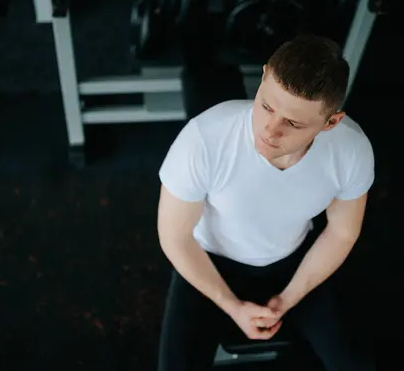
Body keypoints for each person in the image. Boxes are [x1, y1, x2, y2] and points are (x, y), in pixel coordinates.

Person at [156, 34, 375, 371]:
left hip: (293, 259)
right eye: (267, 106)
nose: (270, 131)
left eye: (292, 122)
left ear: (331, 122)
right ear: (261, 79)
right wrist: (232, 307)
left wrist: (288, 299)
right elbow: (175, 236)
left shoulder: (351, 151)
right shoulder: (203, 140)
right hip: (212, 261)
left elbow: (342, 233)